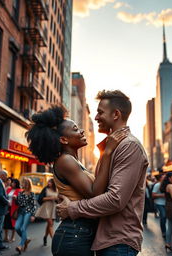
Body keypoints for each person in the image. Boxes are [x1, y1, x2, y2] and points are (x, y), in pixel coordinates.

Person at [56, 90, 148, 256]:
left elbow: (115, 199)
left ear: (116, 114)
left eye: (100, 112)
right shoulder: (112, 147)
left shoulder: (128, 146)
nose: (96, 117)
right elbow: (98, 191)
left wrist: (73, 208)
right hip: (106, 240)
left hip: (119, 242)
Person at [26, 104, 126, 256]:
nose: (81, 130)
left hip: (80, 234)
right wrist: (107, 153)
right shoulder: (65, 160)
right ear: (64, 139)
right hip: (74, 236)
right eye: (75, 129)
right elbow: (94, 193)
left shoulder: (72, 161)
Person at [15, 177, 36, 254]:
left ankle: (20, 245)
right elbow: (18, 203)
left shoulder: (32, 194)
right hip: (21, 212)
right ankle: (26, 239)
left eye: (26, 183)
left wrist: (33, 215)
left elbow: (34, 205)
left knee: (23, 228)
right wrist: (15, 199)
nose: (25, 185)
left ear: (29, 185)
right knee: (17, 227)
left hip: (28, 212)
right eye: (24, 183)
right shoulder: (20, 193)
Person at [35, 178, 58, 246]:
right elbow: (40, 198)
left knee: (50, 224)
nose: (48, 183)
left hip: (53, 208)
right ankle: (54, 241)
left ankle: (45, 237)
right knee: (50, 224)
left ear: (53, 183)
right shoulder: (45, 189)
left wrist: (57, 199)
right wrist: (50, 198)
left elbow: (58, 199)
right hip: (46, 208)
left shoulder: (56, 190)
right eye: (48, 182)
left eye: (50, 182)